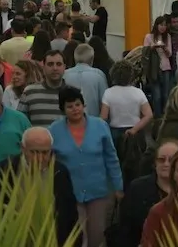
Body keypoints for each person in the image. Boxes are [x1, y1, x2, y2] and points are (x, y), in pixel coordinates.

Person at [49, 86, 123, 247]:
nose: (75, 109)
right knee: (77, 237)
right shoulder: (54, 130)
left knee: (98, 236)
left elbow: (111, 158)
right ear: (63, 110)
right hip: (70, 193)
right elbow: (50, 162)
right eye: (69, 106)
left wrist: (118, 186)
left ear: (83, 105)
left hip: (98, 190)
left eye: (77, 104)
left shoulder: (100, 126)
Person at [0, 127, 79, 245]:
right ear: (22, 148)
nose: (40, 158)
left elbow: (70, 215)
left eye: (45, 152)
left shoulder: (60, 172)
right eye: (34, 152)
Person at [116, 140, 178, 247]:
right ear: (155, 163)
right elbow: (125, 229)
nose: (166, 164)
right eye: (161, 160)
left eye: (171, 160)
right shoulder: (137, 188)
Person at [62, 44, 108, 117]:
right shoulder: (99, 75)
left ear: (75, 58)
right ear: (92, 59)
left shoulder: (64, 75)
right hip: (93, 121)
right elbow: (105, 102)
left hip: (69, 122)